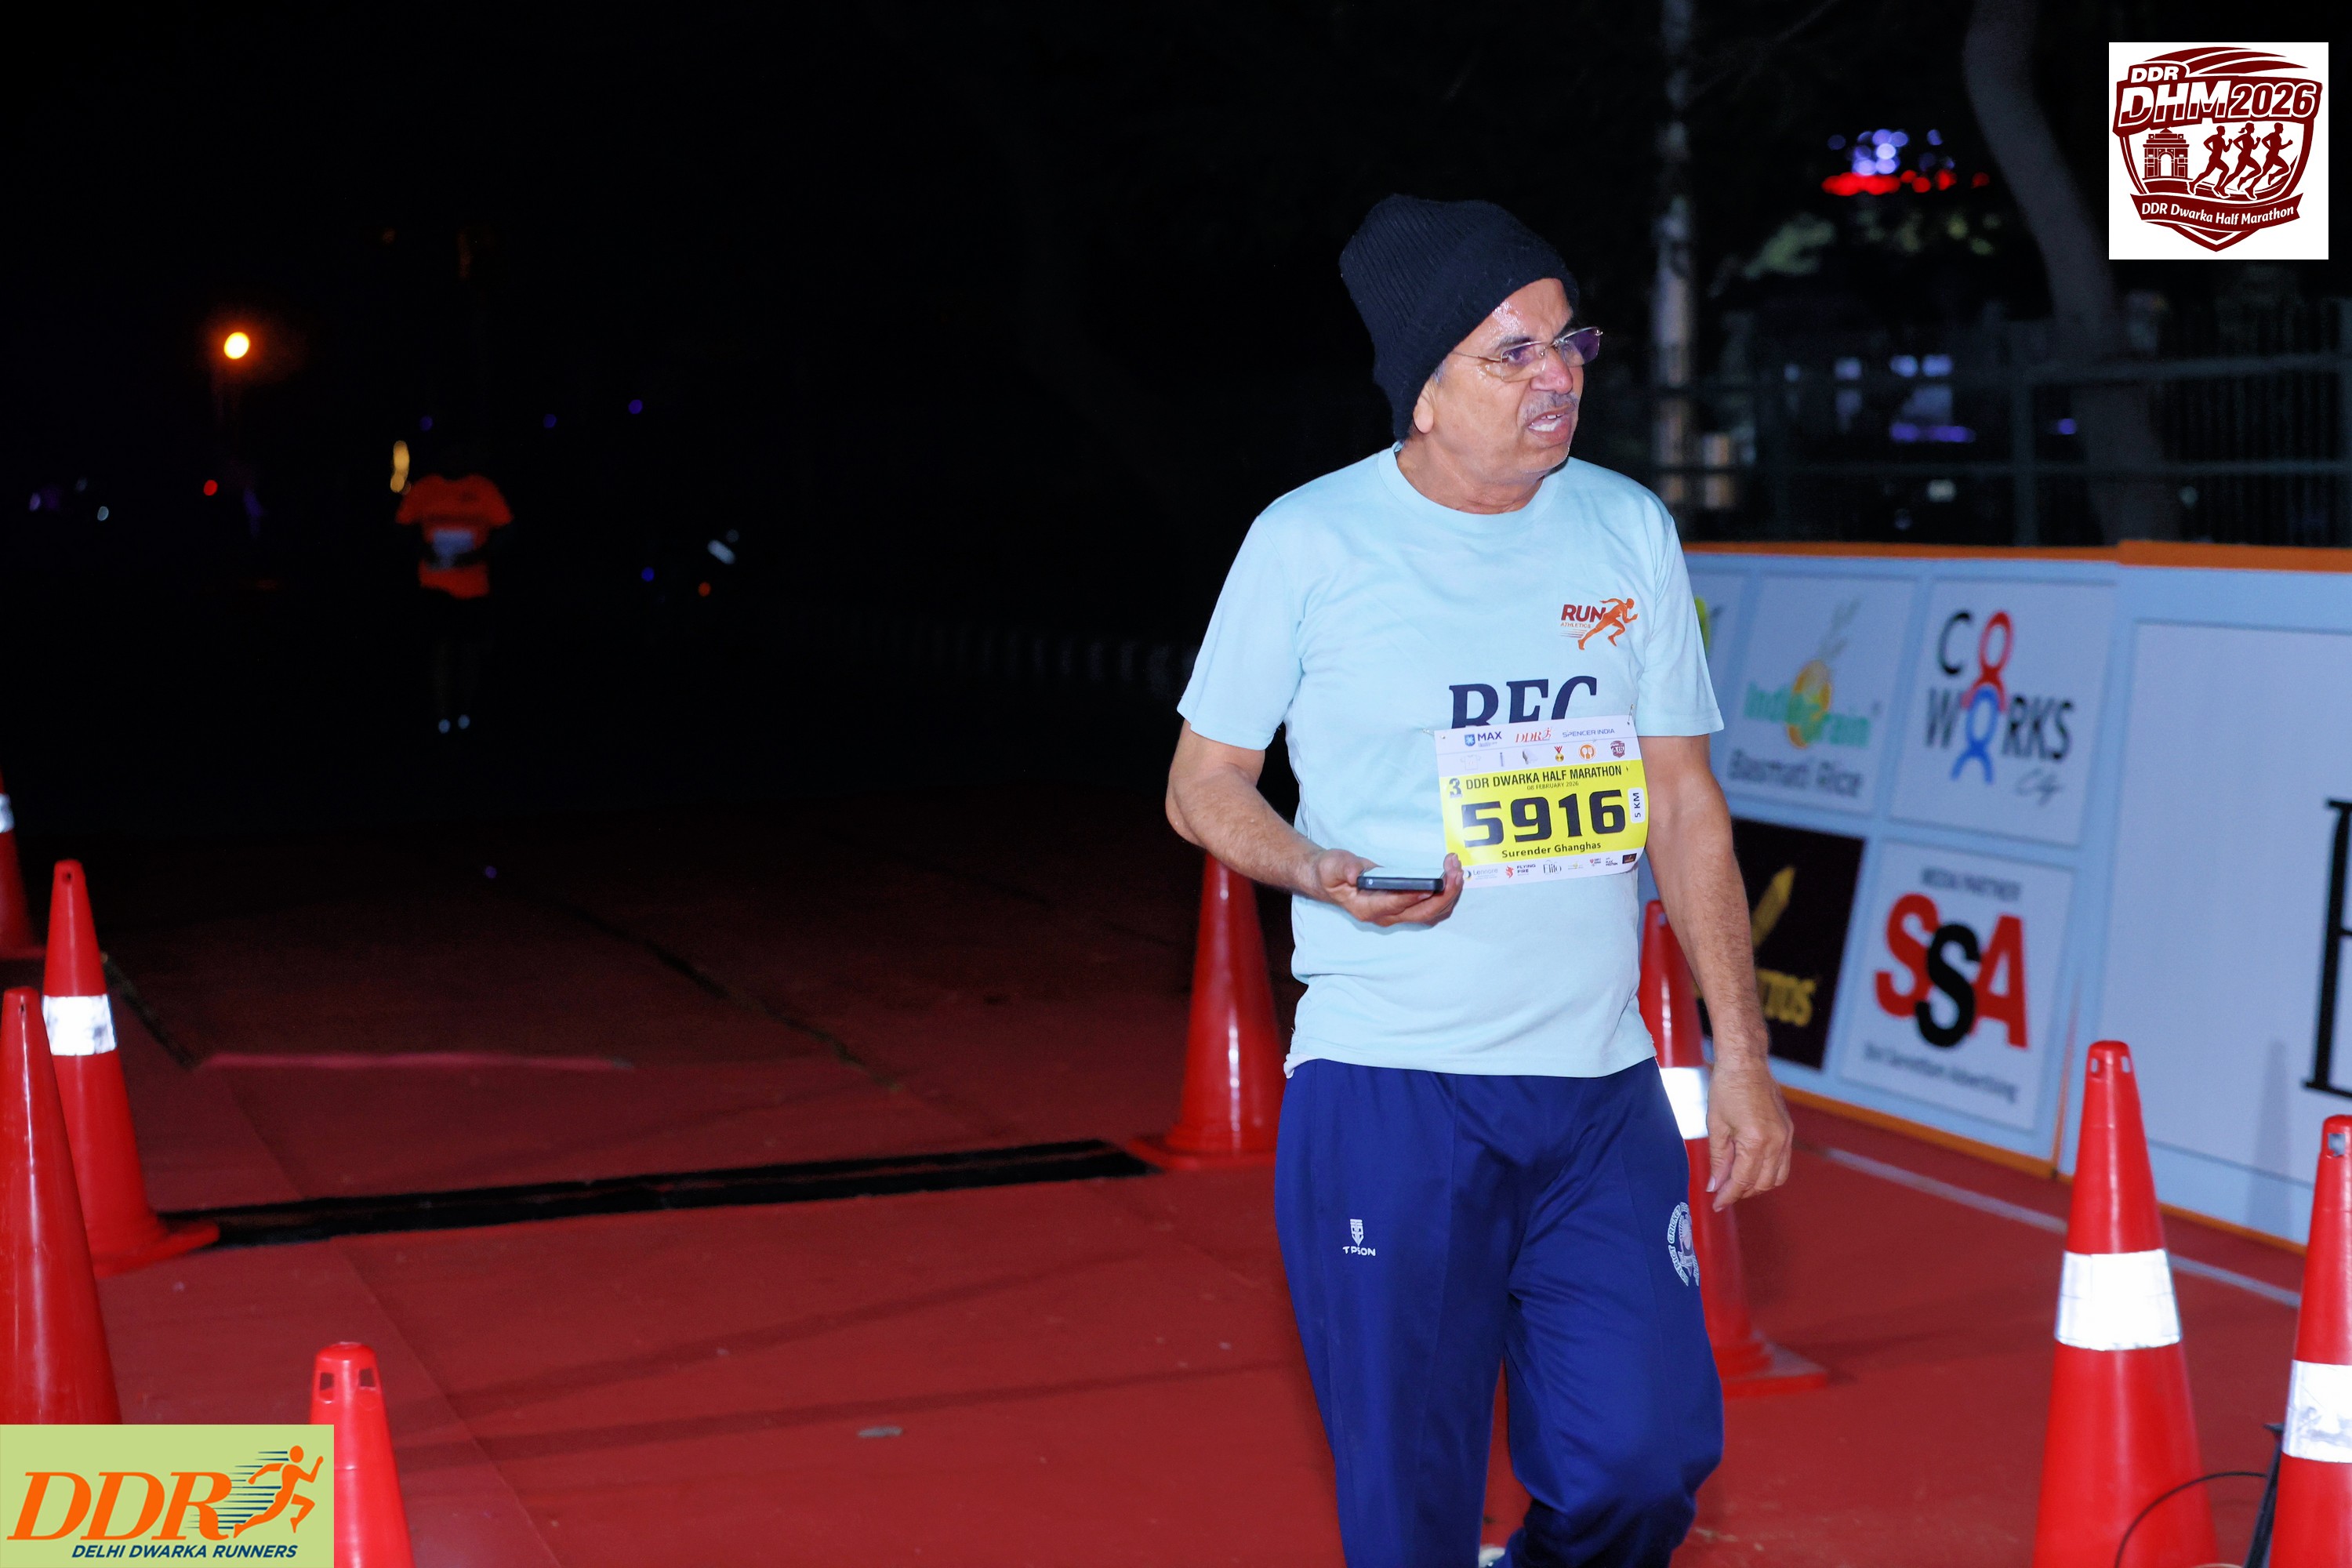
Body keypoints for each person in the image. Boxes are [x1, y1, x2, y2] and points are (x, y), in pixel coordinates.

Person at [1163, 195, 1791, 1568]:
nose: (1557, 376)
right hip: (1391, 1088)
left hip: (1599, 1090)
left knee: (1642, 1467)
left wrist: (1740, 1056)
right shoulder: (1310, 542)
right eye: (1513, 353)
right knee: (1412, 1507)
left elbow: (1684, 803)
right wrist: (1314, 867)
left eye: (1570, 342)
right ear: (1424, 388)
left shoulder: (1626, 527)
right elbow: (1202, 783)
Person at [395, 460, 512, 735]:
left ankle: (466, 715)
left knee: (470, 652)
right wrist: (421, 550)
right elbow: (401, 527)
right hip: (434, 586)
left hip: (474, 588)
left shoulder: (482, 488)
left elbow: (508, 529)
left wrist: (480, 555)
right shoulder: (425, 488)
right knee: (441, 650)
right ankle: (442, 717)